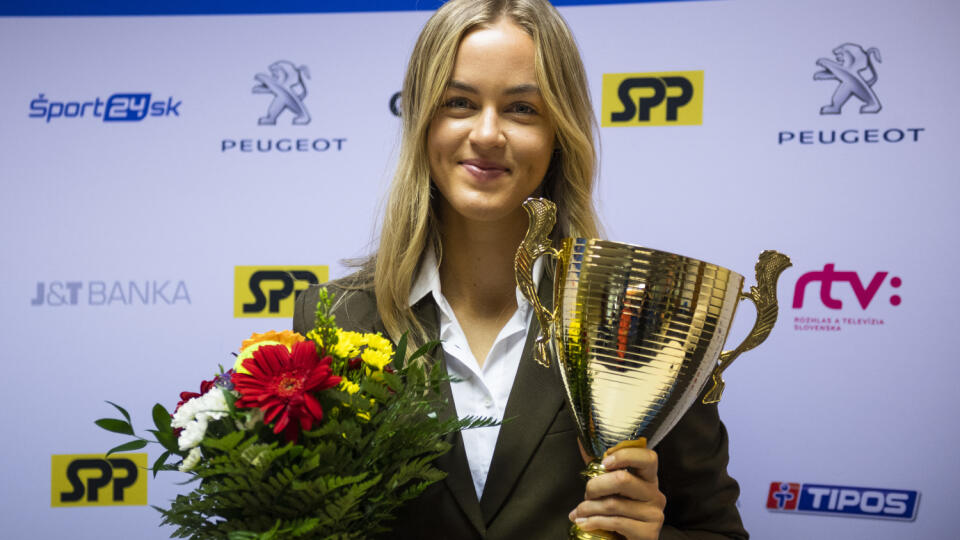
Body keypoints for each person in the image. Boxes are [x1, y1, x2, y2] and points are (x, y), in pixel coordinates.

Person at [294, 1, 748, 538]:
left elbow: (716, 532)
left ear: (561, 131)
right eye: (459, 102)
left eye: (522, 109)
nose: (487, 134)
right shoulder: (337, 316)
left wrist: (647, 535)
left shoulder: (638, 322)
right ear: (421, 121)